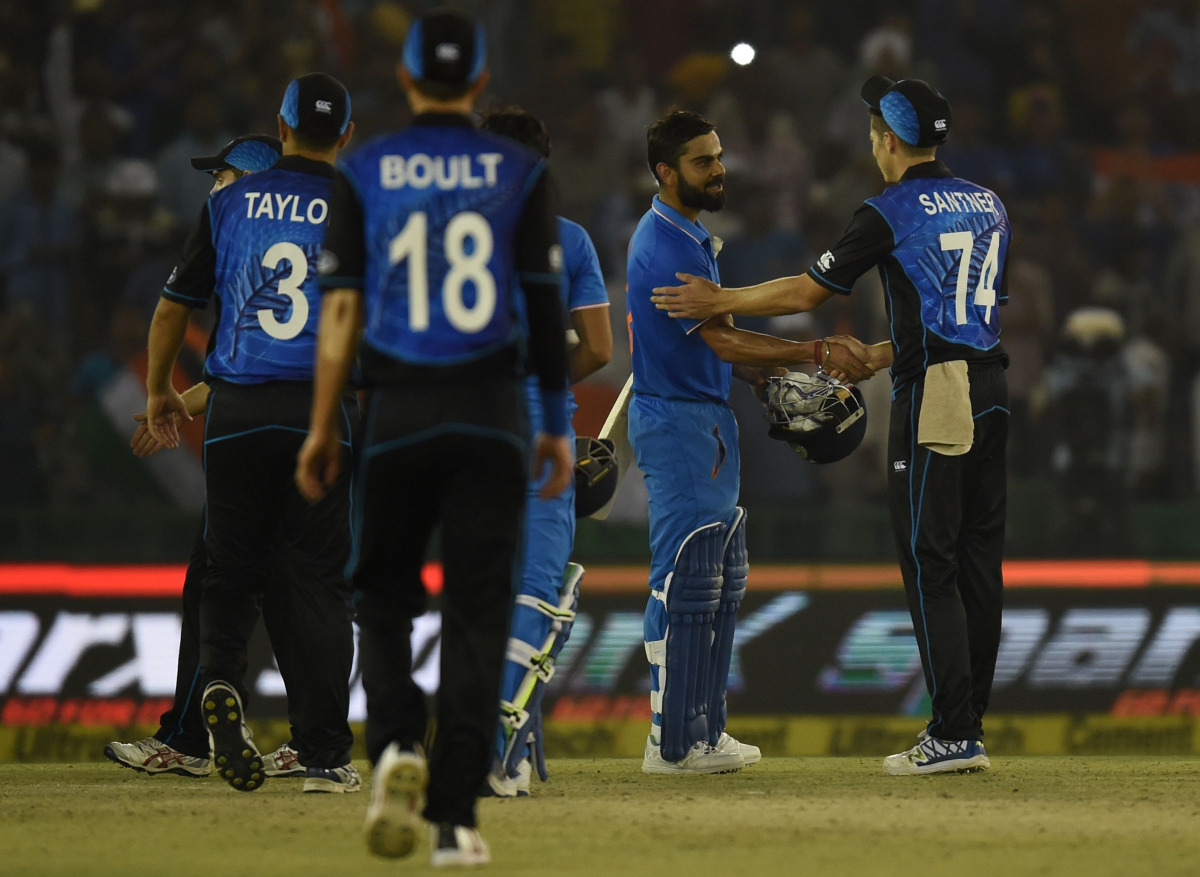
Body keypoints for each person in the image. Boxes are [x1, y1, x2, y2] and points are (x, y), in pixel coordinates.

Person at [652, 77, 1011, 776]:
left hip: (938, 396)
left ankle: (952, 732)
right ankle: (969, 723)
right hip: (991, 386)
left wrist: (719, 297)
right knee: (976, 559)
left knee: (928, 559)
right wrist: (883, 353)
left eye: (875, 129)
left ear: (886, 140)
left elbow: (807, 291)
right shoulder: (989, 201)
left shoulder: (890, 208)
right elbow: (971, 308)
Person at [294, 10, 573, 866]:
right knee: (479, 610)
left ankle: (395, 751)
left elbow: (339, 308)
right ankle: (456, 819)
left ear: (408, 79)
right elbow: (541, 303)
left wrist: (321, 424)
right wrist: (558, 424)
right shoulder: (520, 171)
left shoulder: (366, 170)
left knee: (381, 599)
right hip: (492, 411)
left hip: (398, 412)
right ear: (480, 82)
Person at [627, 109, 875, 776]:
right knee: (682, 576)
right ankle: (670, 741)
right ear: (666, 171)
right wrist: (811, 349)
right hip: (678, 421)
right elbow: (721, 339)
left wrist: (773, 377)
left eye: (718, 155)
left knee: (717, 578)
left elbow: (727, 348)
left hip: (704, 417)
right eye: (704, 160)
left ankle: (704, 732)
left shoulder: (692, 237)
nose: (719, 169)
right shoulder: (664, 245)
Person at [145, 73, 360, 795]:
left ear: (283, 123)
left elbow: (174, 308)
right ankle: (325, 753)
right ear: (348, 136)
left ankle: (220, 690)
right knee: (318, 583)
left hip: (235, 412)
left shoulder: (228, 201)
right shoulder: (361, 206)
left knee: (226, 573)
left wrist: (157, 393)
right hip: (320, 411)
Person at [106, 133, 310, 781]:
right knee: (289, 590)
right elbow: (241, 366)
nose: (211, 187)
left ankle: (192, 737)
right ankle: (315, 737)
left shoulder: (234, 242)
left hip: (249, 444)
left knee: (216, 583)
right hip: (309, 433)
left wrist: (161, 392)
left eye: (219, 176)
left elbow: (176, 316)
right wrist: (180, 406)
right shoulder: (305, 237)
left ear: (247, 180)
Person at [477, 107, 613, 798]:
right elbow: (598, 347)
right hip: (539, 433)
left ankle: (493, 738)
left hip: (463, 429)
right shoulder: (569, 240)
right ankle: (499, 746)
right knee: (534, 590)